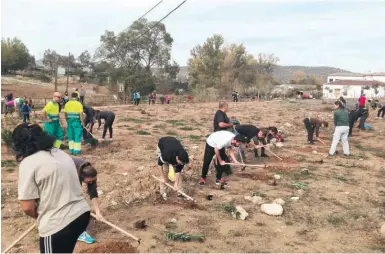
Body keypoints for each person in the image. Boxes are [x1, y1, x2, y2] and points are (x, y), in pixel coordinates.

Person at [13, 123, 90, 253]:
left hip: (58, 224)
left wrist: (41, 216)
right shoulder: (61, 153)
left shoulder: (28, 163)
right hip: (81, 215)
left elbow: (27, 207)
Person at [72, 157, 105, 244]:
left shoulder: (90, 173)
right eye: (89, 181)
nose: (91, 182)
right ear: (83, 177)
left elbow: (93, 193)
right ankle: (77, 232)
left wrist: (98, 212)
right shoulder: (73, 173)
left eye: (93, 181)